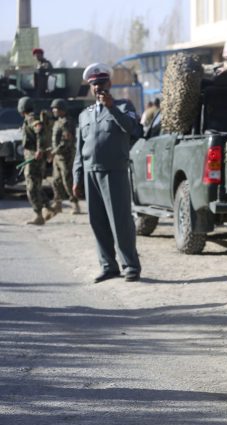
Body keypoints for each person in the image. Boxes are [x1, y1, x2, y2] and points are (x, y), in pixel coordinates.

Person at [72, 63, 143, 283]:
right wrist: (76, 177)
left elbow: (134, 130)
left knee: (120, 221)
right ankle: (108, 266)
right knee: (98, 222)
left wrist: (111, 107)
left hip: (114, 172)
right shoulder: (85, 115)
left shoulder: (123, 106)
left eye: (101, 83)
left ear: (109, 84)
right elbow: (79, 149)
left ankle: (130, 265)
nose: (98, 88)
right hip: (90, 172)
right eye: (94, 85)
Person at [18, 96, 58, 225]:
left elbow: (39, 129)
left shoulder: (30, 118)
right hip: (34, 158)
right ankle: (49, 207)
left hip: (33, 159)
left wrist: (39, 149)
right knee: (36, 186)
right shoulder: (32, 117)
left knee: (31, 188)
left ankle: (39, 216)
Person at [50, 98, 80, 215]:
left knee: (67, 181)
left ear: (62, 109)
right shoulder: (58, 121)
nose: (53, 110)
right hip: (58, 156)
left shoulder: (67, 122)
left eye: (55, 108)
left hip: (66, 156)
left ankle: (75, 203)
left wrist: (54, 151)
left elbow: (66, 141)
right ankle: (57, 204)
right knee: (55, 181)